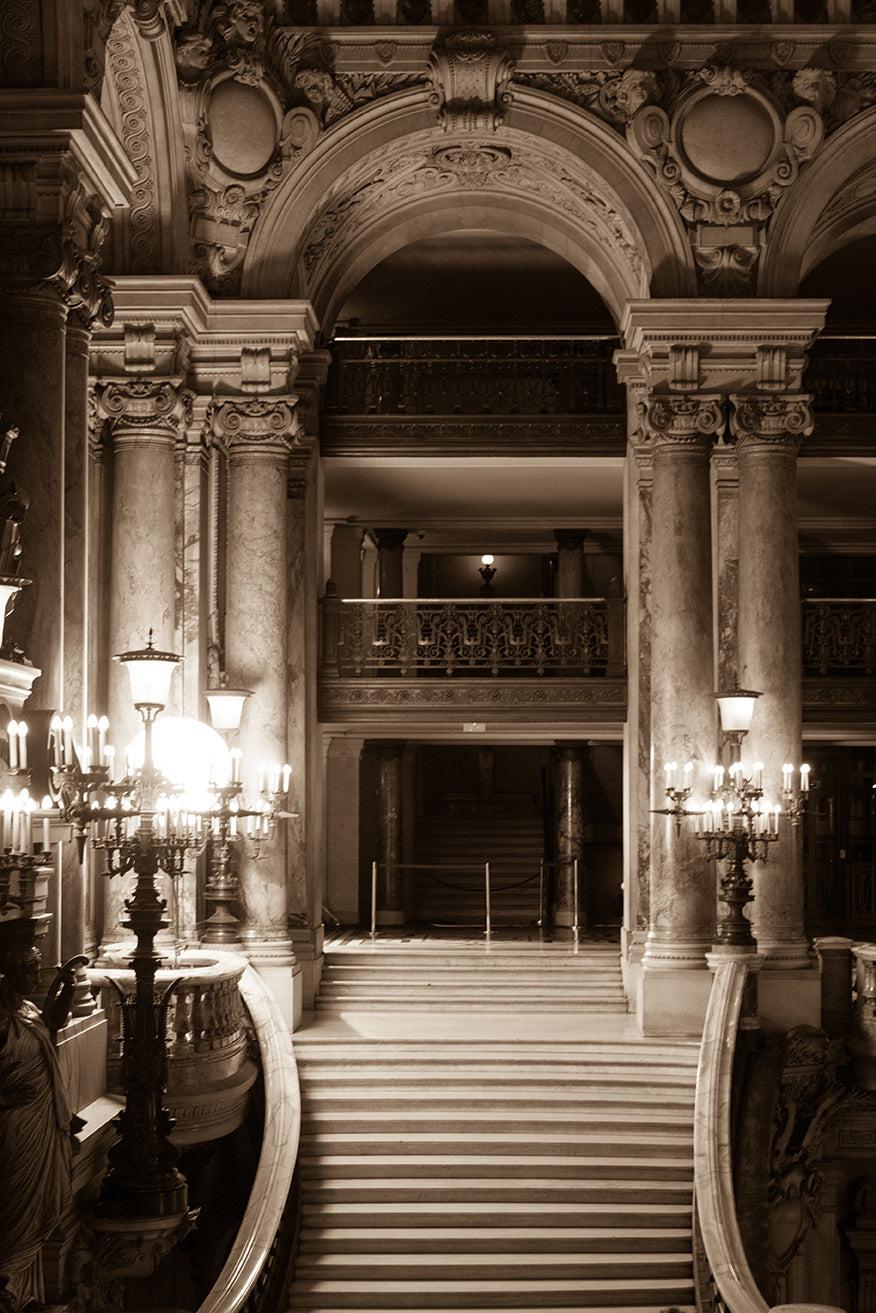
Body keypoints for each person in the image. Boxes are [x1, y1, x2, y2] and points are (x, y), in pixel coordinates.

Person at [0, 924, 85, 1312]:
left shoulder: (27, 1010)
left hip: (42, 1124)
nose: (35, 977)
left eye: (37, 968)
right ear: (7, 970)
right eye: (29, 970)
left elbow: (49, 1030)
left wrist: (66, 986)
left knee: (38, 1213)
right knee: (13, 1213)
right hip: (15, 1131)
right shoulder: (1, 1021)